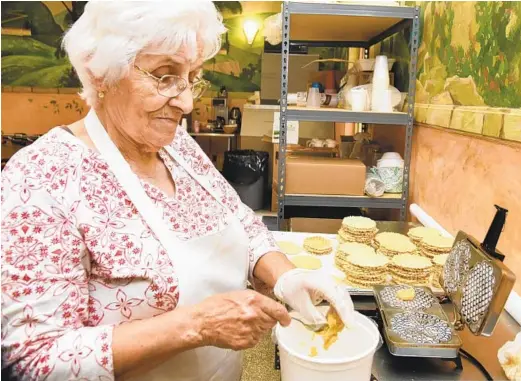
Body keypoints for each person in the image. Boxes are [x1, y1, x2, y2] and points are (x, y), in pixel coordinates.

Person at [0, 2, 355, 381]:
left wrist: (285, 276)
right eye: (164, 76)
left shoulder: (177, 144)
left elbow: (239, 221)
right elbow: (35, 360)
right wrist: (196, 327)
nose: (186, 102)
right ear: (101, 73)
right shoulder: (41, 178)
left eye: (190, 77)